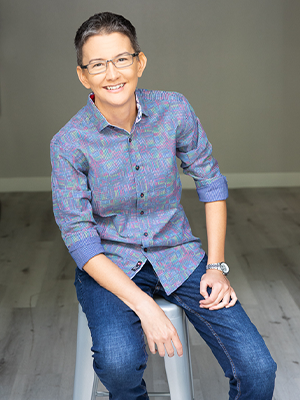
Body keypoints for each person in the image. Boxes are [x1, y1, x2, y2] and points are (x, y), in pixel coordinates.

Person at [50, 11, 276, 400]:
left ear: (140, 61)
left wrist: (217, 266)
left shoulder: (174, 110)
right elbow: (80, 238)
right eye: (98, 64)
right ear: (83, 75)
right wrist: (144, 307)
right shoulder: (68, 143)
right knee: (118, 365)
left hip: (179, 257)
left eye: (121, 59)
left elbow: (210, 181)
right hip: (110, 264)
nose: (112, 73)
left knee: (258, 369)